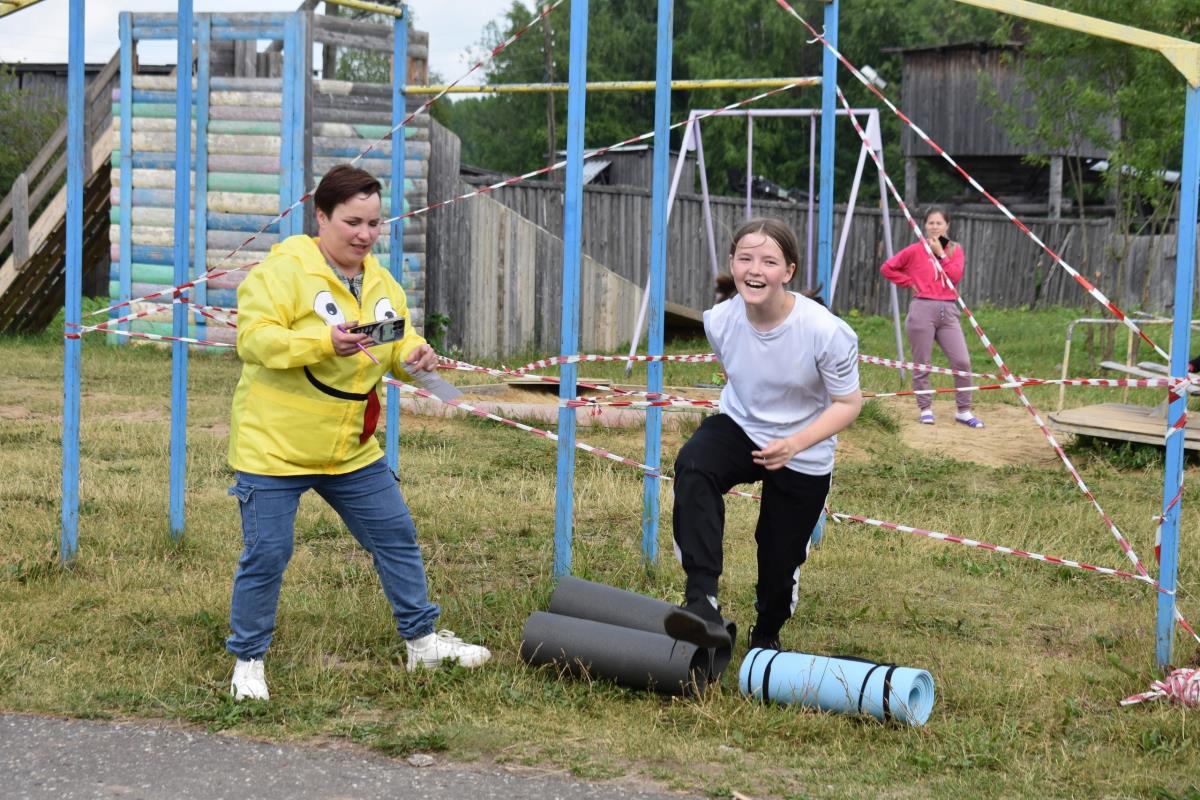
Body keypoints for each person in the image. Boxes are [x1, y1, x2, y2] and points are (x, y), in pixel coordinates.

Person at [225, 164, 490, 701]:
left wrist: (416, 359)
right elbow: (255, 342)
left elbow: (396, 345)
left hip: (349, 449)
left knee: (396, 537)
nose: (365, 234)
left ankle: (422, 643)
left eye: (374, 222)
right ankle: (248, 662)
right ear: (320, 217)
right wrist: (324, 343)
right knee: (268, 554)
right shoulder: (280, 275)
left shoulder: (382, 282)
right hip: (274, 449)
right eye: (352, 222)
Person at [664, 218, 862, 653]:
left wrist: (794, 443)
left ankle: (767, 631)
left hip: (803, 446)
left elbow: (849, 404)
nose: (755, 269)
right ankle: (702, 600)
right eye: (746, 258)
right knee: (695, 464)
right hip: (742, 426)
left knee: (777, 557)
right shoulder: (720, 321)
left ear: (788, 272)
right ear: (732, 263)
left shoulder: (825, 332)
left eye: (769, 261)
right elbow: (739, 375)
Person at [879, 206, 983, 428]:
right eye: (931, 223)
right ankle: (925, 408)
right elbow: (888, 268)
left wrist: (941, 254)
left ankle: (963, 410)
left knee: (962, 361)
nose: (935, 227)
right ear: (925, 225)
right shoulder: (915, 250)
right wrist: (909, 282)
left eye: (939, 223)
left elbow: (955, 276)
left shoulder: (955, 250)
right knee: (922, 362)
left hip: (949, 310)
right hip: (922, 309)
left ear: (947, 225)